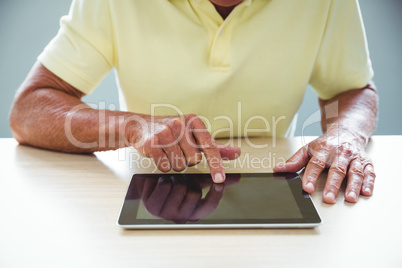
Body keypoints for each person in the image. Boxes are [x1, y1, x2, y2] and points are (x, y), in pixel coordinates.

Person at [9, 0, 378, 204]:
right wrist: (135, 126)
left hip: (270, 189)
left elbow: (353, 90)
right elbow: (29, 109)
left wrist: (346, 134)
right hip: (152, 189)